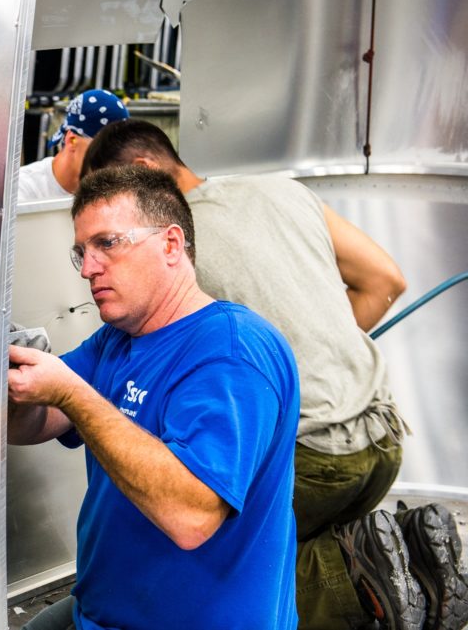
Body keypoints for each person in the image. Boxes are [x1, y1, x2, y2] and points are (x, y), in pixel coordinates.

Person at [82, 118, 468, 630]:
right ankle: (408, 547)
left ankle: (355, 576)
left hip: (311, 459)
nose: (95, 257)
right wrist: (313, 348)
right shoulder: (282, 190)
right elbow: (386, 280)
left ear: (144, 171)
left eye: (108, 230)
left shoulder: (168, 256)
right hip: (383, 437)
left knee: (201, 550)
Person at [8, 164, 301, 629]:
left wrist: (72, 393)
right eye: (80, 252)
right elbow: (36, 421)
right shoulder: (117, 340)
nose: (88, 268)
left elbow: (191, 516)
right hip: (99, 612)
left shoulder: (230, 353)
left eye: (107, 243)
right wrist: (6, 381)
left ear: (170, 244)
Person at [17, 89, 129, 202]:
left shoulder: (113, 194)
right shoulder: (21, 190)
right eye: (104, 149)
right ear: (71, 140)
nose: (113, 161)